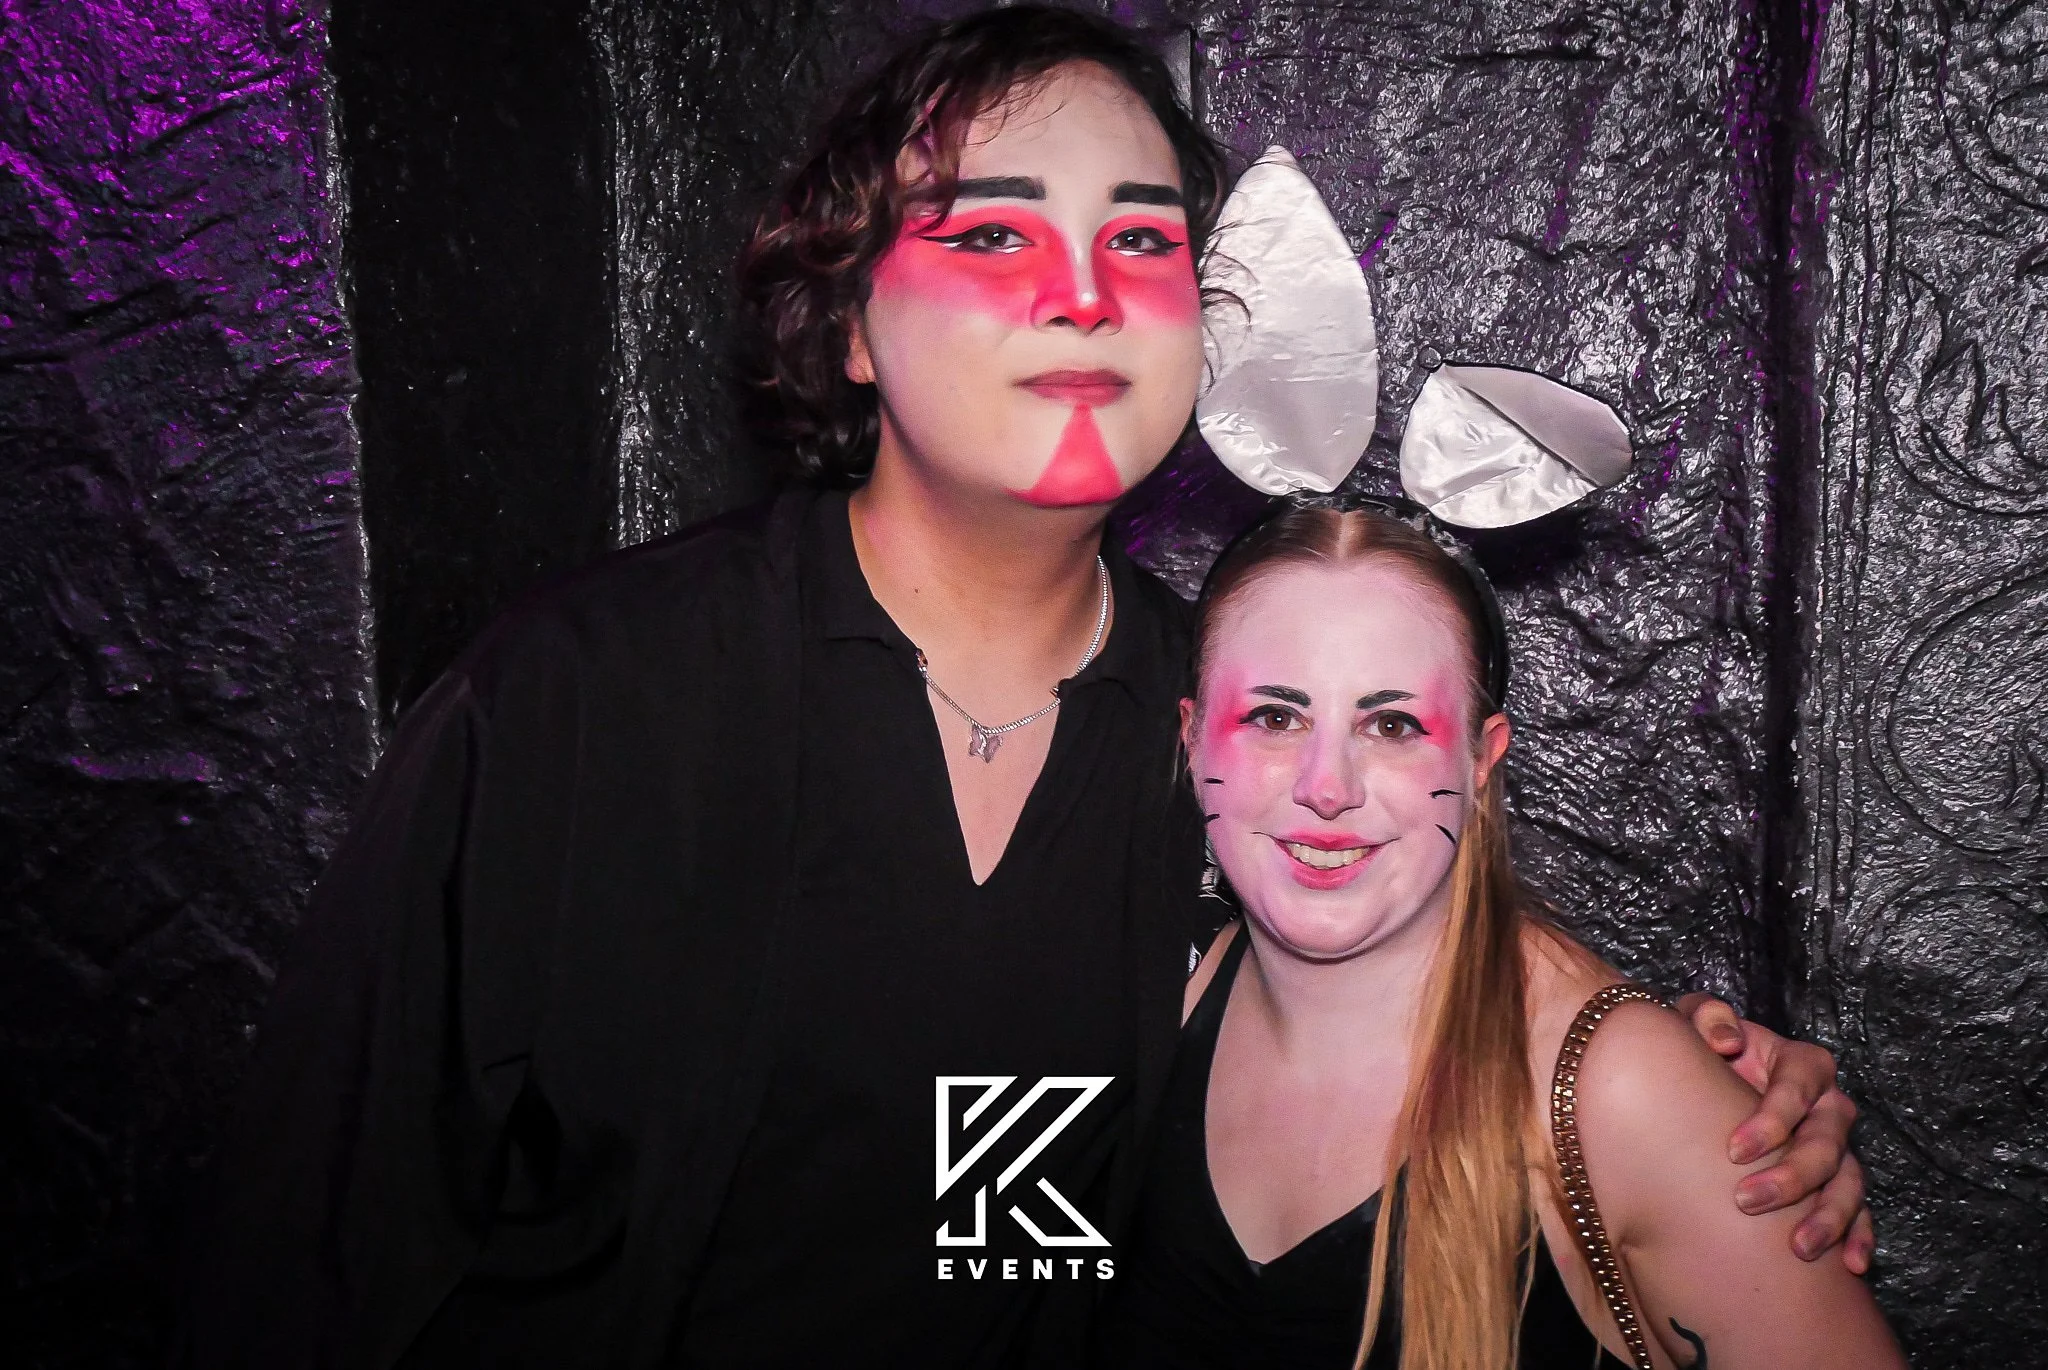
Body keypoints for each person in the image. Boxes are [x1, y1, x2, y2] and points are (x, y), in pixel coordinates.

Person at [180, 9, 1870, 1368]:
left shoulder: (1224, 736)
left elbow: (1438, 953)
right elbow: (304, 1252)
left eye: (1140, 242)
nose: (1080, 294)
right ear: (850, 326)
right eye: (991, 232)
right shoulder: (577, 701)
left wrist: (1693, 1091)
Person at [1099, 503, 1904, 1369]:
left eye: (1393, 725)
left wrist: (1687, 1111)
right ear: (1192, 739)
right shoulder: (1148, 995)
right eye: (1273, 718)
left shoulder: (1622, 1095)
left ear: (1481, 762)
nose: (1327, 787)